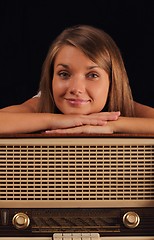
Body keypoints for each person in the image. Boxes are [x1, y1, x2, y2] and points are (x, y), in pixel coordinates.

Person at [0, 24, 154, 134]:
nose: (76, 88)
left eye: (92, 75)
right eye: (64, 74)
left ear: (112, 83)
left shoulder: (123, 104)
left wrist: (112, 124)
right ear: (51, 78)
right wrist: (56, 120)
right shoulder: (41, 103)